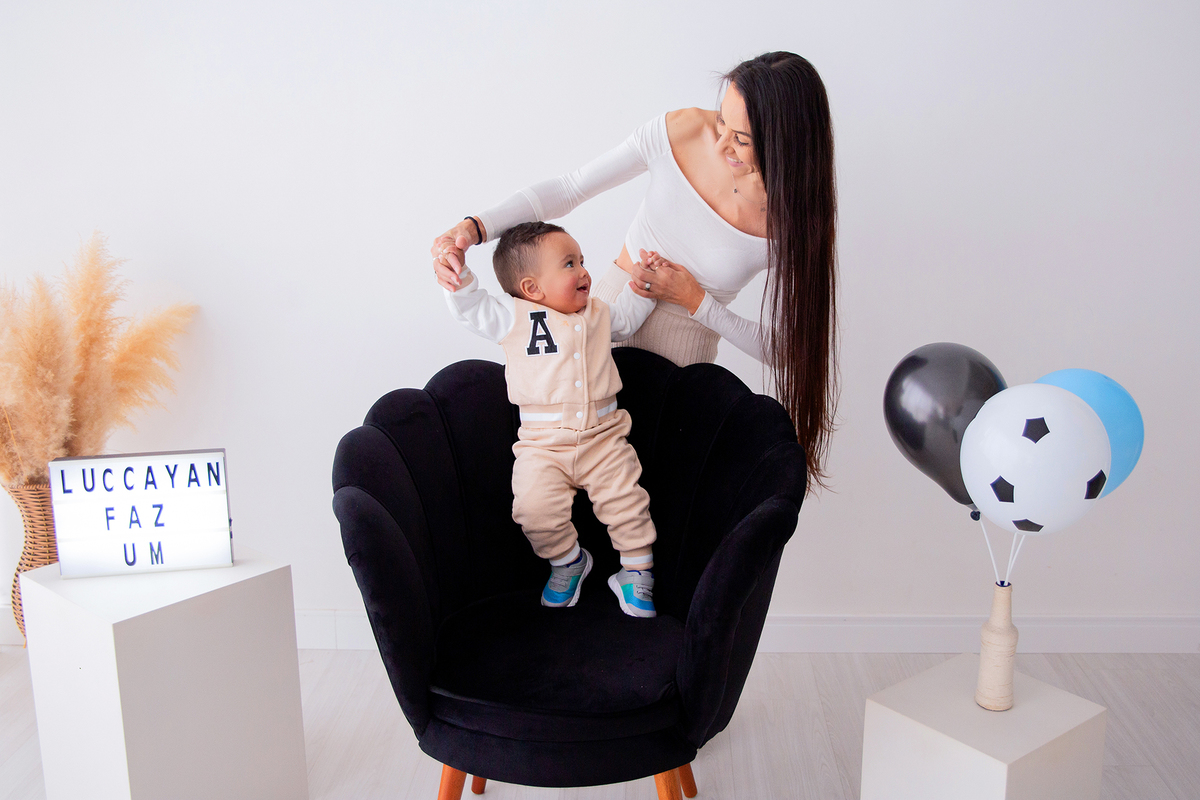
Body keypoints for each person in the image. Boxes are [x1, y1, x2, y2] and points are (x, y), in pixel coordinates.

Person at [433, 51, 838, 492]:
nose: (720, 144)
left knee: (642, 510)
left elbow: (790, 352)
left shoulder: (795, 222)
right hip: (594, 327)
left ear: (785, 144)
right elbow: (571, 187)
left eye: (740, 138)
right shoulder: (681, 130)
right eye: (722, 121)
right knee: (553, 488)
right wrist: (477, 227)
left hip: (678, 377)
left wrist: (696, 301)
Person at [442, 220, 659, 617]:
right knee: (532, 509)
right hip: (542, 446)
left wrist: (641, 287)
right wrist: (458, 277)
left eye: (581, 260)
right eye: (569, 264)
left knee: (628, 501)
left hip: (603, 438)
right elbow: (473, 309)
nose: (584, 271)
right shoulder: (514, 317)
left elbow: (627, 319)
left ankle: (636, 571)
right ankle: (568, 561)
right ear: (531, 288)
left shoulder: (597, 313)